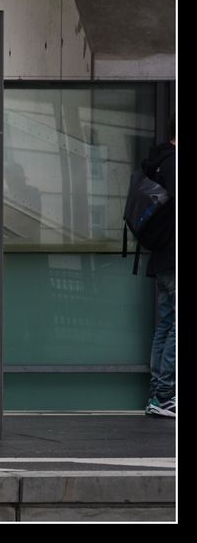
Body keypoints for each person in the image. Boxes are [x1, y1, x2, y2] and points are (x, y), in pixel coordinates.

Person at [143, 124, 175, 419]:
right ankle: (165, 395)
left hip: (163, 258)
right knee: (173, 328)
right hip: (174, 258)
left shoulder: (160, 161)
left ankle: (157, 395)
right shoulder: (174, 163)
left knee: (165, 325)